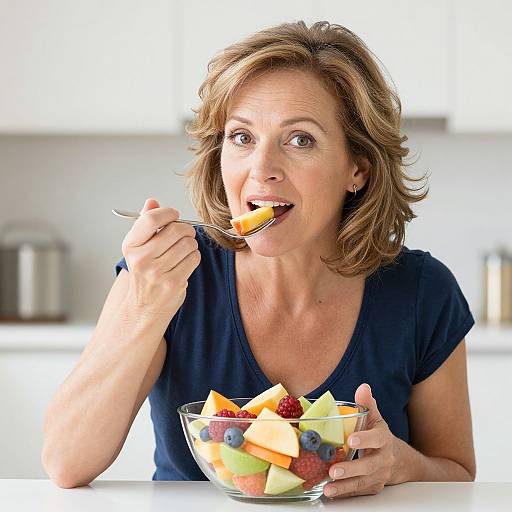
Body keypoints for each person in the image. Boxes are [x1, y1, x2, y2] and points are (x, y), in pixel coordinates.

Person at [42, 21, 476, 498]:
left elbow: (456, 474)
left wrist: (398, 464)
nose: (261, 169)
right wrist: (144, 307)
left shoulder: (421, 292)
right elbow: (66, 462)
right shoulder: (166, 276)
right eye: (242, 137)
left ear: (357, 168)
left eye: (300, 140)